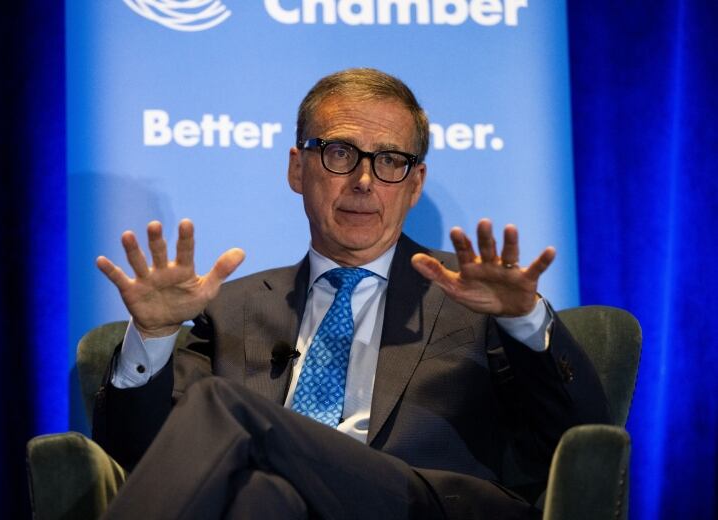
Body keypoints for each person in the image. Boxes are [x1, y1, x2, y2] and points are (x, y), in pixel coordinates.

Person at [93, 68, 609, 519]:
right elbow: (146, 455)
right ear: (298, 168)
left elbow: (581, 438)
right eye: (340, 153)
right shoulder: (233, 307)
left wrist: (524, 320)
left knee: (222, 407)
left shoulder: (473, 292)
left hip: (422, 506)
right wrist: (155, 335)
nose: (364, 180)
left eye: (390, 161)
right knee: (260, 493)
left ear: (414, 183)